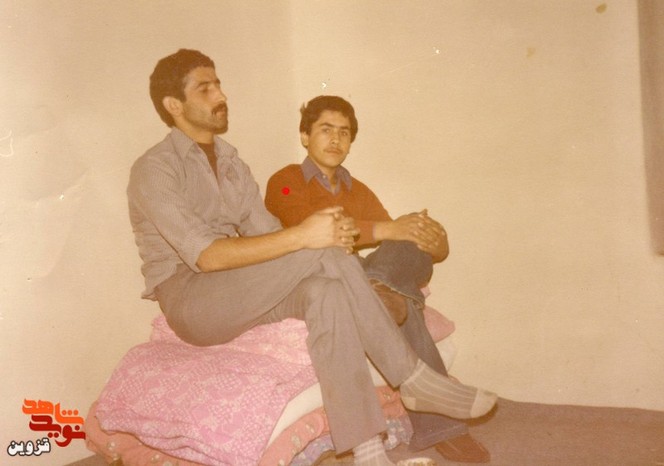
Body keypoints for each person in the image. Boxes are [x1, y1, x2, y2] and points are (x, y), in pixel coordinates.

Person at [127, 49, 497, 466]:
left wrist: (319, 239)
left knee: (327, 292)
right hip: (192, 299)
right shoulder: (154, 169)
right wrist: (306, 236)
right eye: (205, 88)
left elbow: (267, 236)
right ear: (174, 105)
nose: (221, 95)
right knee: (322, 248)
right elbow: (208, 257)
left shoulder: (232, 163)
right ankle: (410, 376)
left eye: (219, 84)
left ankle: (369, 452)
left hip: (238, 288)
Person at [265, 95, 493, 463]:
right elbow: (309, 227)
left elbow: (394, 242)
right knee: (400, 293)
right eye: (326, 130)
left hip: (361, 275)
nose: (336, 139)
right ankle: (443, 428)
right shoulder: (286, 181)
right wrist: (393, 229)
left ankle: (378, 290)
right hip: (316, 277)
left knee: (396, 264)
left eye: (344, 133)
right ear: (305, 136)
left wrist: (433, 242)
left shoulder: (357, 189)